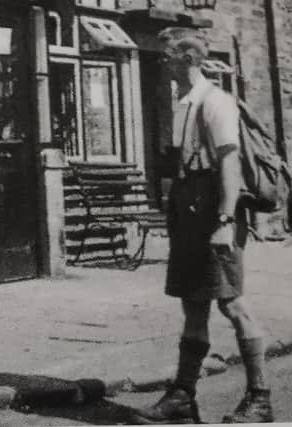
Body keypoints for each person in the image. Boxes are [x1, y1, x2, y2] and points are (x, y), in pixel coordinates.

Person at [131, 27, 273, 424]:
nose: (162, 63)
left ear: (189, 59)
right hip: (189, 211)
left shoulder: (216, 103)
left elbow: (229, 164)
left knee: (232, 302)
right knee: (193, 304)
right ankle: (182, 396)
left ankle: (260, 398)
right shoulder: (184, 102)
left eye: (167, 56)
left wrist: (225, 221)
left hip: (214, 210)